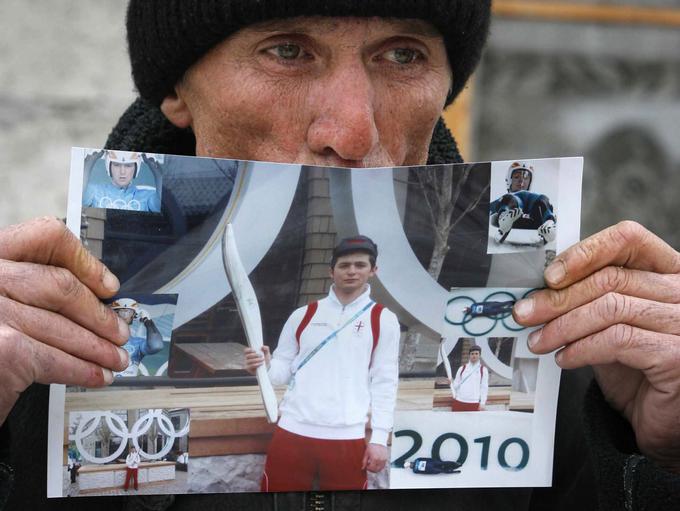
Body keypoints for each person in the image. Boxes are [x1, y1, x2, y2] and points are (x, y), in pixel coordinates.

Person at [1, 1, 679, 510]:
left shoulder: (561, 353)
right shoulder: (37, 338)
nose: (354, 131)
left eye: (403, 55)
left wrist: (658, 454)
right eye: (288, 51)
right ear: (178, 86)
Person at [244, 236, 400, 491]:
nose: (351, 271)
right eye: (344, 265)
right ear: (331, 271)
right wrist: (264, 366)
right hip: (292, 431)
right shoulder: (303, 315)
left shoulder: (383, 319)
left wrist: (380, 438)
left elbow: (385, 382)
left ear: (373, 271)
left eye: (360, 265)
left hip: (346, 437)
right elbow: (281, 373)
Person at [489, 161, 557, 244]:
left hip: (534, 215)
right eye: (517, 177)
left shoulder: (533, 197)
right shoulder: (506, 198)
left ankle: (548, 225)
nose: (521, 182)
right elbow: (489, 208)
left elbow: (543, 203)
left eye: (526, 178)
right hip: (512, 207)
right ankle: (504, 221)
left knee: (542, 199)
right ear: (509, 180)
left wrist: (550, 217)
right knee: (511, 199)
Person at [82, 150, 162, 213]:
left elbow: (162, 206)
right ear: (108, 167)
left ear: (136, 168)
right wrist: (89, 163)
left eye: (128, 165)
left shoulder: (147, 196)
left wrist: (157, 174)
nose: (122, 172)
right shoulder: (94, 191)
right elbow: (78, 199)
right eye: (116, 165)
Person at [110, 298, 164, 377]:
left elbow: (156, 345)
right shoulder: (102, 339)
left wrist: (148, 322)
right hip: (106, 386)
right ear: (114, 314)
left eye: (128, 312)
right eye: (121, 312)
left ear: (134, 315)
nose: (125, 315)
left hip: (128, 386)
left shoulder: (137, 343)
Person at [450, 345, 488, 411]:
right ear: (469, 355)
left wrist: (482, 403)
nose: (474, 356)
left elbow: (484, 387)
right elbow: (456, 385)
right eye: (472, 354)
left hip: (474, 403)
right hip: (459, 401)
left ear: (479, 355)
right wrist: (451, 383)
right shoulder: (462, 368)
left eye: (476, 354)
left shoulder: (483, 370)